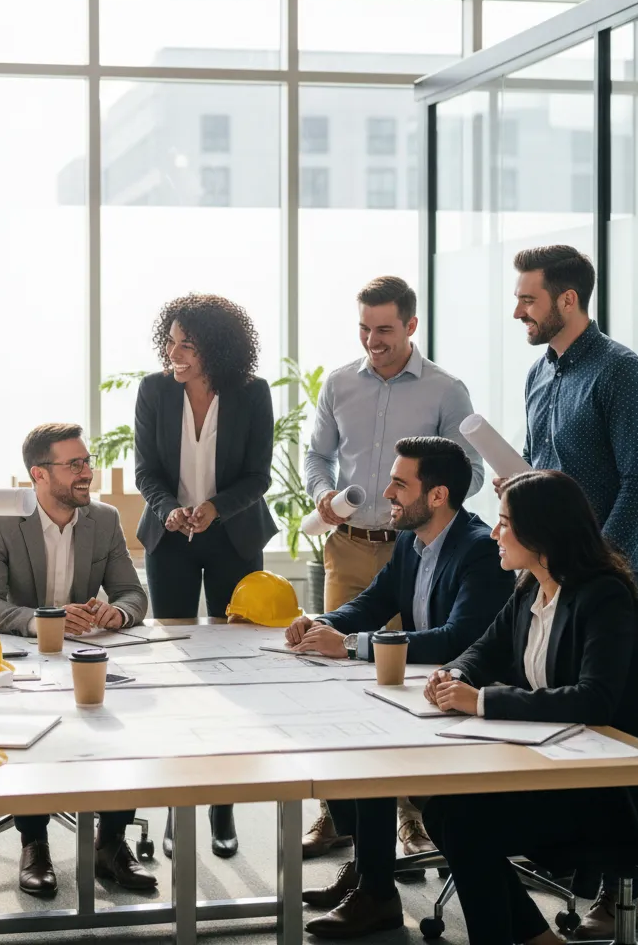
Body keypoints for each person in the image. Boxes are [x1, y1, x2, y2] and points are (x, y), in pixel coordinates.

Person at [421, 470, 638, 945]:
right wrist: (456, 675)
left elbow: (594, 699)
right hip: (562, 765)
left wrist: (481, 701)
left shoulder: (602, 596)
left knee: (465, 822)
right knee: (443, 810)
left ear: (541, 531)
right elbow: (485, 650)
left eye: (505, 523)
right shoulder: (532, 587)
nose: (495, 533)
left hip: (621, 786)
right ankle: (536, 939)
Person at [287, 438, 514, 938]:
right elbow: (372, 602)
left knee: (372, 749)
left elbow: (458, 638)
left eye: (399, 484)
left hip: (469, 700)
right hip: (422, 689)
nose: (386, 492)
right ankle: (369, 875)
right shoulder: (411, 542)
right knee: (348, 727)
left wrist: (351, 647)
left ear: (437, 495)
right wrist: (322, 623)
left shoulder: (479, 548)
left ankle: (376, 891)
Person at [301, 275, 484, 856]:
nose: (372, 340)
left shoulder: (445, 390)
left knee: (403, 679)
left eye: (383, 329)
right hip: (351, 544)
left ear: (410, 325)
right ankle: (336, 813)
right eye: (364, 328)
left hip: (418, 543)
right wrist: (323, 495)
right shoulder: (339, 384)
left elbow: (471, 472)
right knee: (334, 669)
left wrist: (430, 507)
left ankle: (412, 814)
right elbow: (316, 456)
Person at [0, 423, 156, 896]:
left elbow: (133, 593)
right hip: (24, 653)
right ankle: (34, 843)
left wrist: (118, 612)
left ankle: (111, 844)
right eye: (74, 464)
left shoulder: (104, 519)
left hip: (86, 655)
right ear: (39, 474)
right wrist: (44, 620)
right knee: (32, 731)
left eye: (86, 462)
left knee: (124, 721)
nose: (86, 472)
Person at [134, 292, 277, 860]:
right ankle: (178, 802)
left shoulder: (252, 392)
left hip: (233, 538)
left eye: (187, 345)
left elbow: (259, 475)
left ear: (216, 349)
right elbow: (146, 470)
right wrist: (169, 508)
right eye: (170, 341)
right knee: (175, 673)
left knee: (233, 673)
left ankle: (222, 804)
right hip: (169, 537)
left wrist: (215, 508)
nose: (174, 353)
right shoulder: (154, 390)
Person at [505, 245, 638, 587]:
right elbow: (536, 458)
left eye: (528, 301)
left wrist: (597, 564)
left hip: (602, 574)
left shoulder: (621, 371)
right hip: (541, 565)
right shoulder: (537, 373)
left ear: (568, 300)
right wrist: (516, 483)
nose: (517, 313)